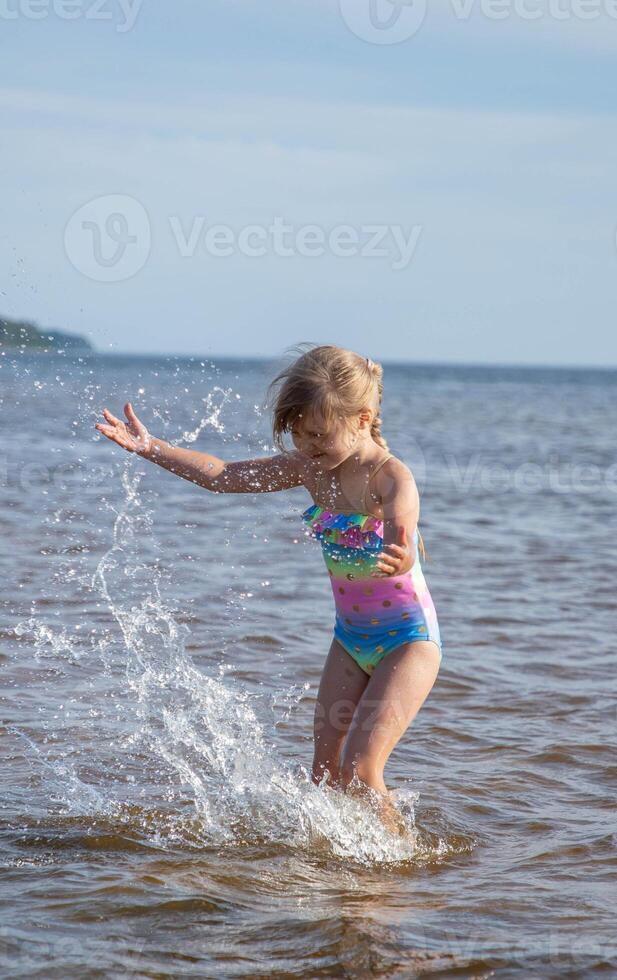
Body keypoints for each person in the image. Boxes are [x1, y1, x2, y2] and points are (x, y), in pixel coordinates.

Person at [95, 343, 442, 834]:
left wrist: (402, 545)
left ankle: (399, 864)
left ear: (362, 419)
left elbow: (403, 508)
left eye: (319, 435)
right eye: (298, 435)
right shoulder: (308, 468)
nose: (308, 447)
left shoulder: (387, 475)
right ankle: (339, 862)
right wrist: (152, 448)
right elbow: (225, 477)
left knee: (363, 772)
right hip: (350, 641)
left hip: (408, 643)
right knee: (324, 772)